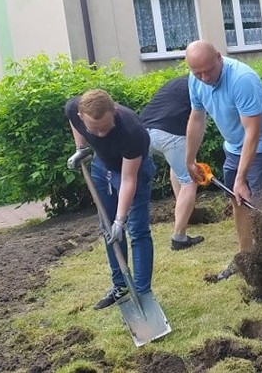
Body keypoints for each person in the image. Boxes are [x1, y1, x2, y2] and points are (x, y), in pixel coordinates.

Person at [184, 40, 262, 283]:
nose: (204, 77)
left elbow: (253, 132)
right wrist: (189, 160)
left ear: (219, 57)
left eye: (208, 70)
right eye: (198, 73)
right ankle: (245, 258)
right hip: (234, 148)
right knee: (237, 201)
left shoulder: (242, 80)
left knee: (261, 206)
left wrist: (241, 179)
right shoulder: (195, 80)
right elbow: (197, 119)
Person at [65, 89, 156, 310]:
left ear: (114, 111)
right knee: (108, 230)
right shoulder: (73, 109)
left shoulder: (132, 131)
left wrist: (120, 219)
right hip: (101, 167)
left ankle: (143, 293)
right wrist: (81, 149)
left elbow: (128, 180)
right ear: (81, 116)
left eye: (106, 127)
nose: (102, 134)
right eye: (94, 129)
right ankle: (121, 286)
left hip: (132, 171)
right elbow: (73, 122)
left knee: (136, 231)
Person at [140, 74, 204, 251]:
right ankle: (179, 237)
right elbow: (199, 119)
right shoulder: (203, 84)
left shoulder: (179, 82)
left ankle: (184, 214)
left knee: (178, 171)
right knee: (190, 180)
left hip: (145, 133)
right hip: (170, 134)